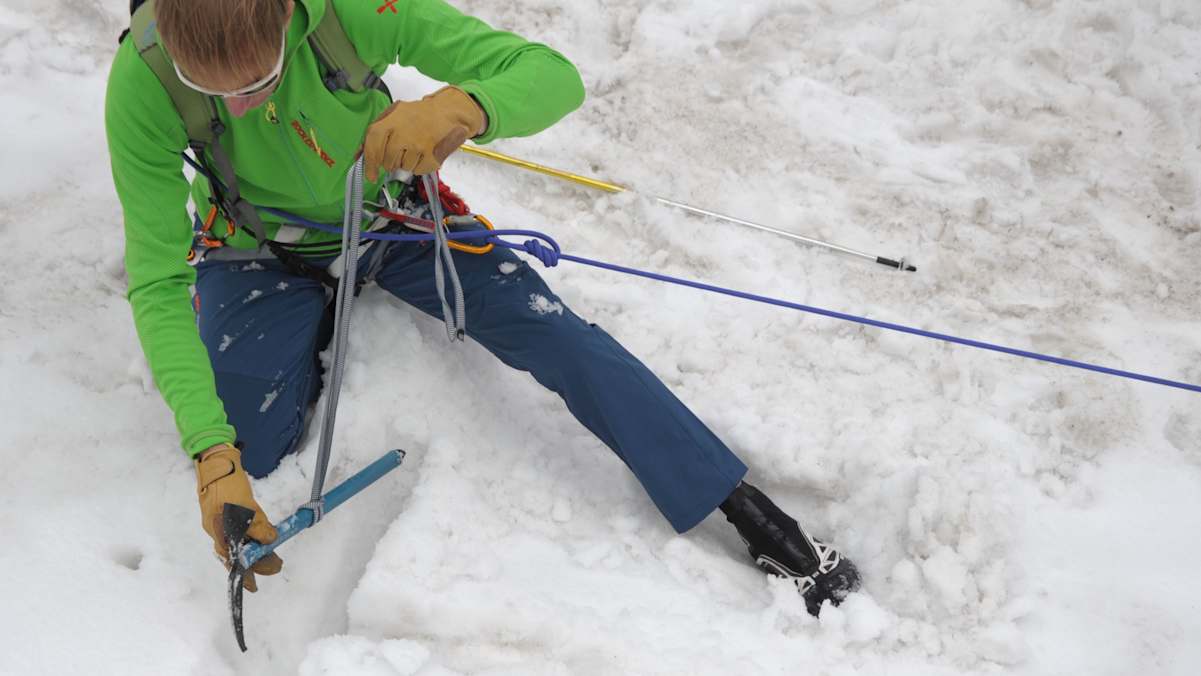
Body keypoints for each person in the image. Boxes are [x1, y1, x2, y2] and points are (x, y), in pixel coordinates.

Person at [104, 0, 860, 614]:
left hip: (391, 219)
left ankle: (736, 502)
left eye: (261, 79)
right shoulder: (142, 82)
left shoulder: (347, 12)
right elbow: (158, 279)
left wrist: (463, 106)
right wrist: (212, 453)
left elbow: (550, 74)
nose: (240, 104)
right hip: (257, 249)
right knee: (253, 449)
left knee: (555, 335)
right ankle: (302, 326)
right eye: (214, 91)